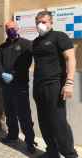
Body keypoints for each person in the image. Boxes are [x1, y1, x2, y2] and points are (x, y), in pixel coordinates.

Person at [32, 11, 78, 158]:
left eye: (44, 22)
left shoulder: (59, 36)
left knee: (58, 123)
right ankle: (51, 152)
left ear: (51, 22)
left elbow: (70, 58)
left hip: (55, 86)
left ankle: (70, 154)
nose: (40, 25)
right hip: (38, 86)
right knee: (43, 121)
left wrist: (69, 82)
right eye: (38, 22)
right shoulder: (35, 42)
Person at [0, 21, 36, 153]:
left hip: (20, 85)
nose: (10, 30)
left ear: (17, 28)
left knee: (24, 114)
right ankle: (12, 135)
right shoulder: (3, 46)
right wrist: (2, 74)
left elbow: (26, 63)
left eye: (12, 28)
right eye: (7, 28)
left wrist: (13, 74)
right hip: (6, 86)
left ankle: (29, 141)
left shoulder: (26, 44)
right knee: (10, 112)